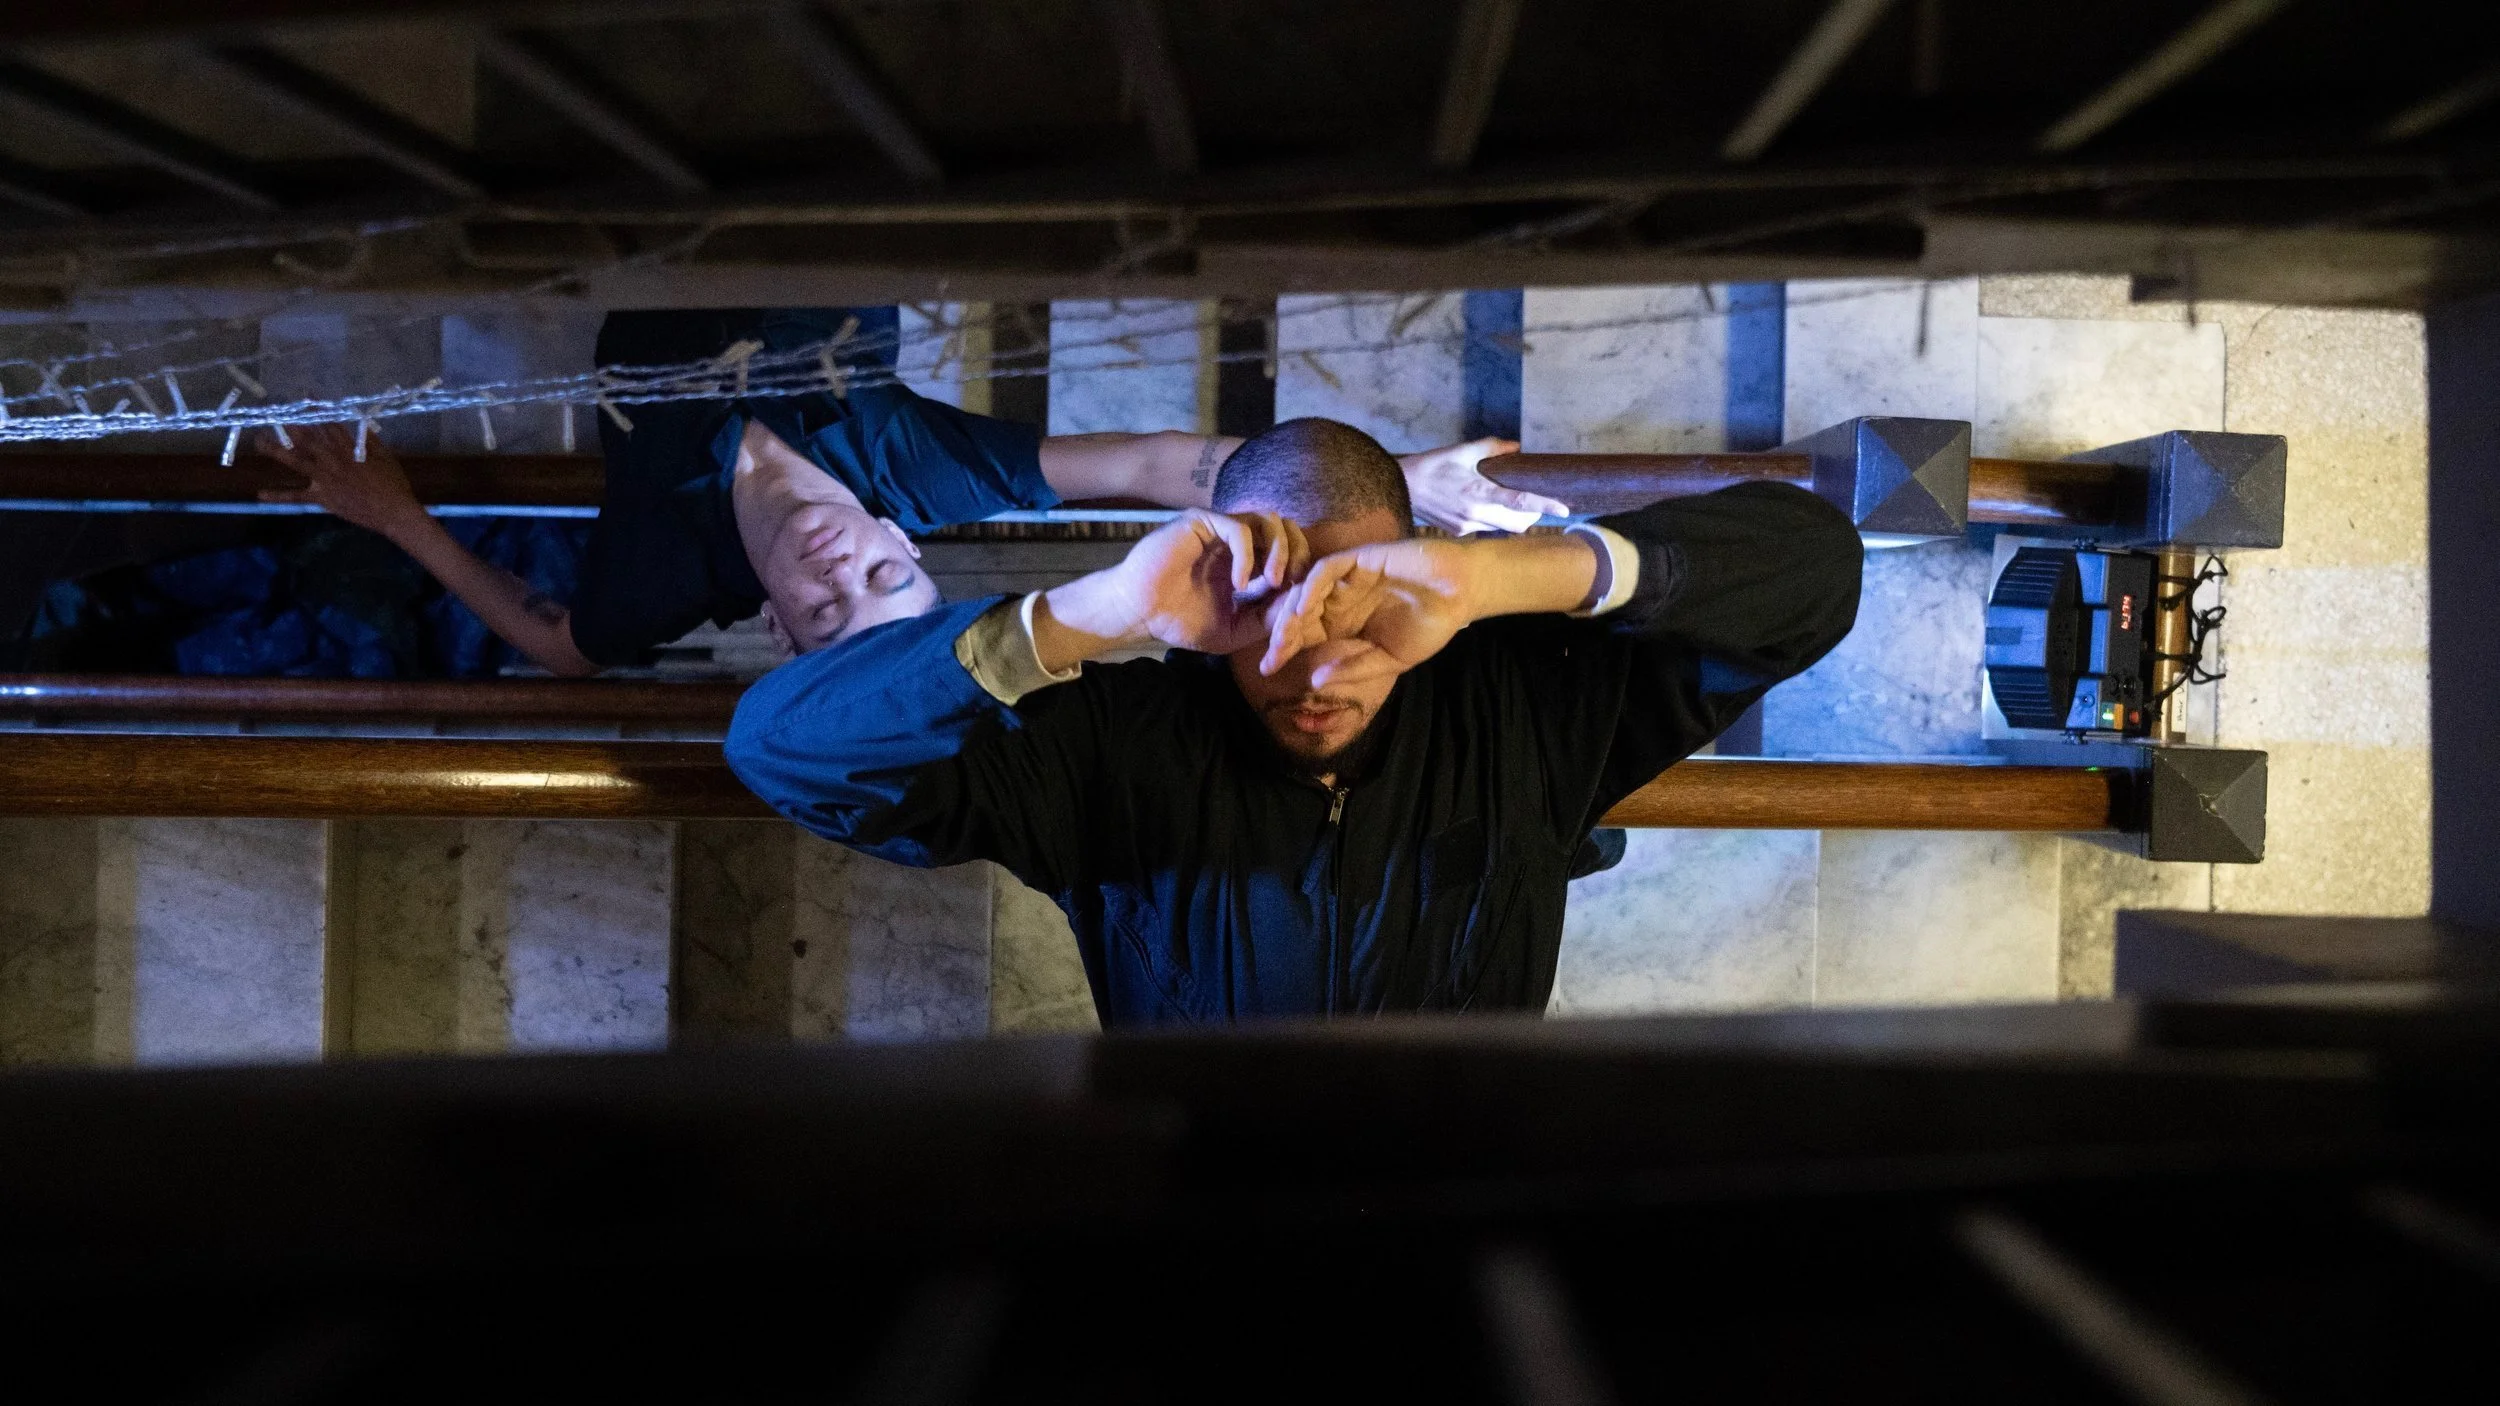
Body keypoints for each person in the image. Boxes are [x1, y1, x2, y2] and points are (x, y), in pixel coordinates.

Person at [726, 418, 1862, 1025]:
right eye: (1267, 614)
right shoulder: (1104, 748)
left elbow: (1816, 568)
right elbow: (780, 748)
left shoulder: (1530, 699)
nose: (1310, 665)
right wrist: (1087, 613)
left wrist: (1499, 580)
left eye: (1361, 614)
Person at [254, 308, 1568, 677]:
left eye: (826, 609)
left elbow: (558, 643)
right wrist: (1394, 484)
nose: (839, 567)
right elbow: (1159, 469)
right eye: (884, 575)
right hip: (822, 253)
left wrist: (398, 517)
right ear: (900, 538)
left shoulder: (666, 576)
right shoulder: (921, 477)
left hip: (656, 272)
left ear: (776, 625)